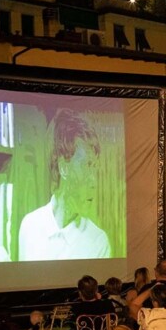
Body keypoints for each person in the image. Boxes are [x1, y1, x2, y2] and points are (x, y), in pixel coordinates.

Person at [18, 108, 110, 261]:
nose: (94, 181)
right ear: (64, 167)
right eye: (87, 165)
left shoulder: (99, 242)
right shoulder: (29, 226)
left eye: (95, 168)